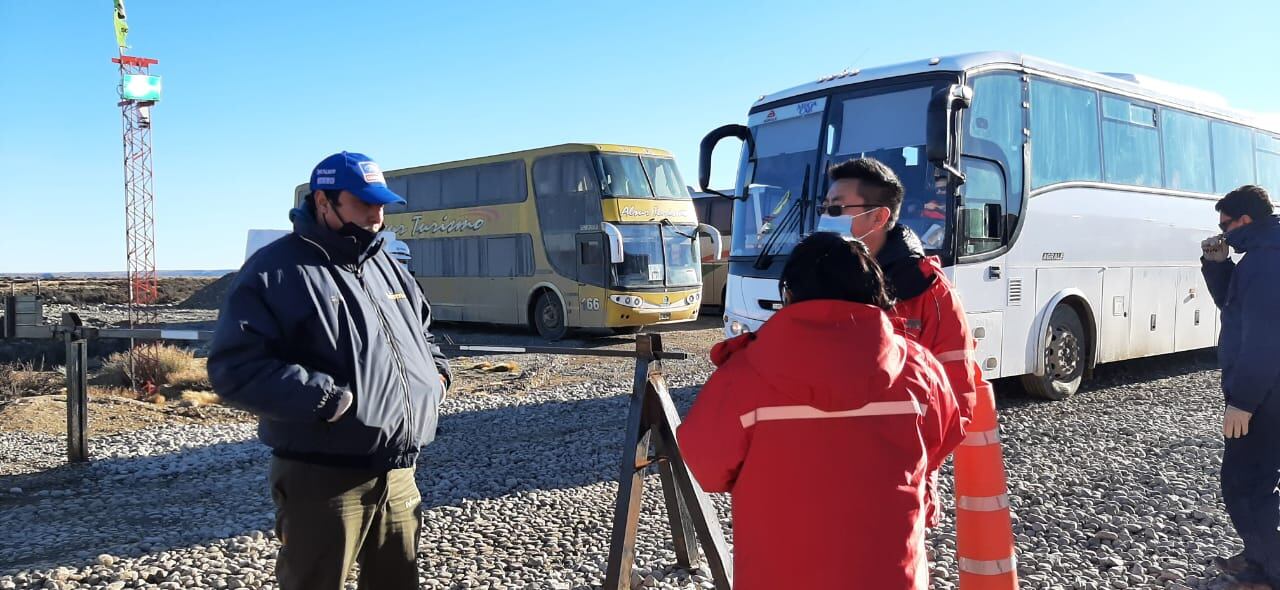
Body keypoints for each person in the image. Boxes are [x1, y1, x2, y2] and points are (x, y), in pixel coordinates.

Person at [207, 151, 452, 590]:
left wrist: (436, 380)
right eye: (363, 203)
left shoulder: (387, 267)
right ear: (324, 201)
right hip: (323, 480)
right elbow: (235, 367)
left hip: (398, 474)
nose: (377, 215)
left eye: (381, 204)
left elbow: (424, 335)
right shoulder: (275, 271)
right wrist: (327, 400)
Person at [678, 232, 966, 589]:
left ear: (789, 294)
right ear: (877, 293)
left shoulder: (742, 375)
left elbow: (706, 468)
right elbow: (943, 439)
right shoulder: (919, 369)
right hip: (891, 575)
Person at [817, 156, 981, 526]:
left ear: (879, 217)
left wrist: (904, 465)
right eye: (826, 208)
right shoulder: (816, 280)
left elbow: (956, 402)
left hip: (898, 489)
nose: (827, 216)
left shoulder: (932, 294)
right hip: (822, 482)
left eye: (838, 208)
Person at [1200, 184, 1280, 590]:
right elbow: (1237, 308)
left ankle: (1270, 570)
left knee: (1243, 482)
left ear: (1244, 221)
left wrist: (1243, 401)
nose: (1222, 232)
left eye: (1225, 226)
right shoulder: (1261, 257)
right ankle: (1259, 557)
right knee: (1257, 479)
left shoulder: (1265, 263)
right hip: (1267, 390)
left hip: (1264, 396)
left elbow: (1265, 338)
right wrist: (1218, 266)